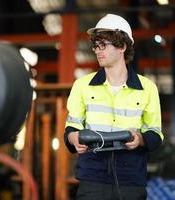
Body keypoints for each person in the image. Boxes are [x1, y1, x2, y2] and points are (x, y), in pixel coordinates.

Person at [64, 14, 163, 200]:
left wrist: (140, 139)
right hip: (93, 176)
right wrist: (73, 137)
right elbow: (71, 128)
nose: (97, 50)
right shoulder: (82, 85)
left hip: (131, 177)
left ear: (122, 46)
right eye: (95, 45)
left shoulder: (147, 88)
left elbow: (155, 134)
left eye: (103, 45)